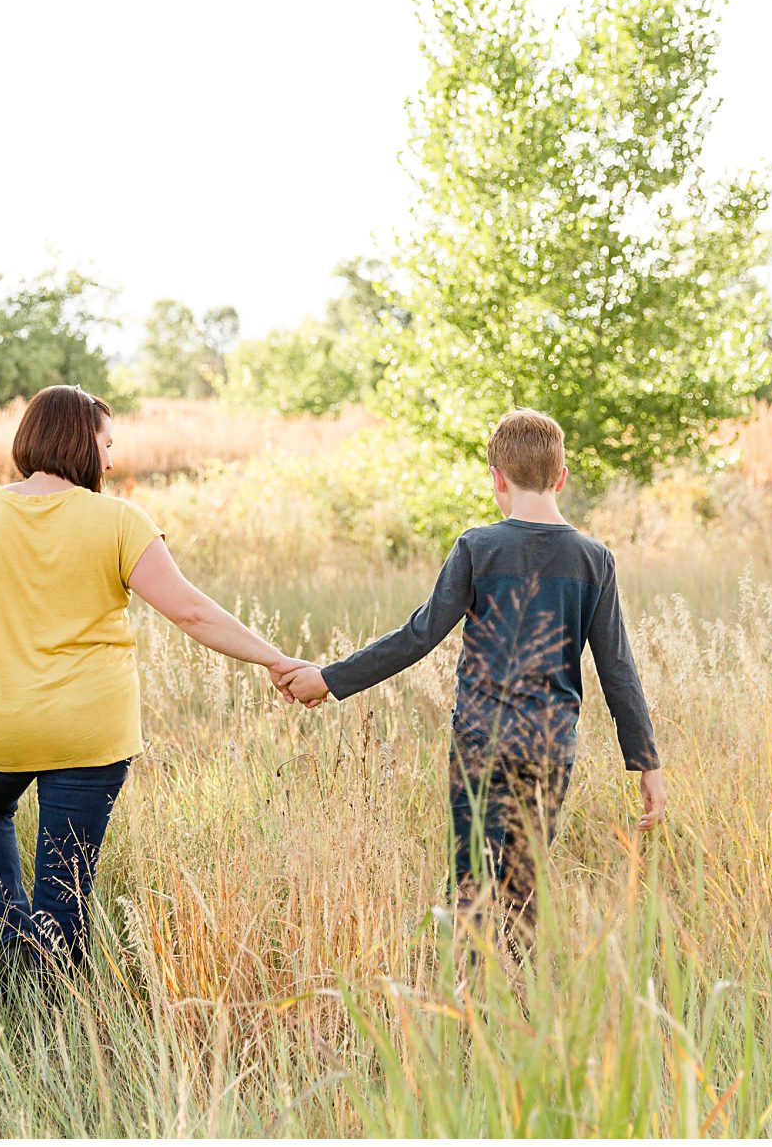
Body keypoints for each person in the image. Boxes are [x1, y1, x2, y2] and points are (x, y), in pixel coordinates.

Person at [0, 385, 308, 976]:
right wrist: (274, 659)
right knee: (64, 892)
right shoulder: (118, 521)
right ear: (80, 442)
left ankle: (8, 965)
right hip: (88, 734)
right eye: (105, 444)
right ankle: (58, 1013)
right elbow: (191, 611)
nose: (110, 461)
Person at [278, 408, 665, 965]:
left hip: (481, 743)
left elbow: (418, 636)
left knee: (472, 883)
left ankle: (467, 1005)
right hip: (550, 746)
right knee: (524, 885)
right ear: (561, 477)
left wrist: (329, 680)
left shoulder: (478, 548)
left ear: (496, 478)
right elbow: (618, 668)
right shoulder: (594, 559)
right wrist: (646, 763)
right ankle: (513, 1005)